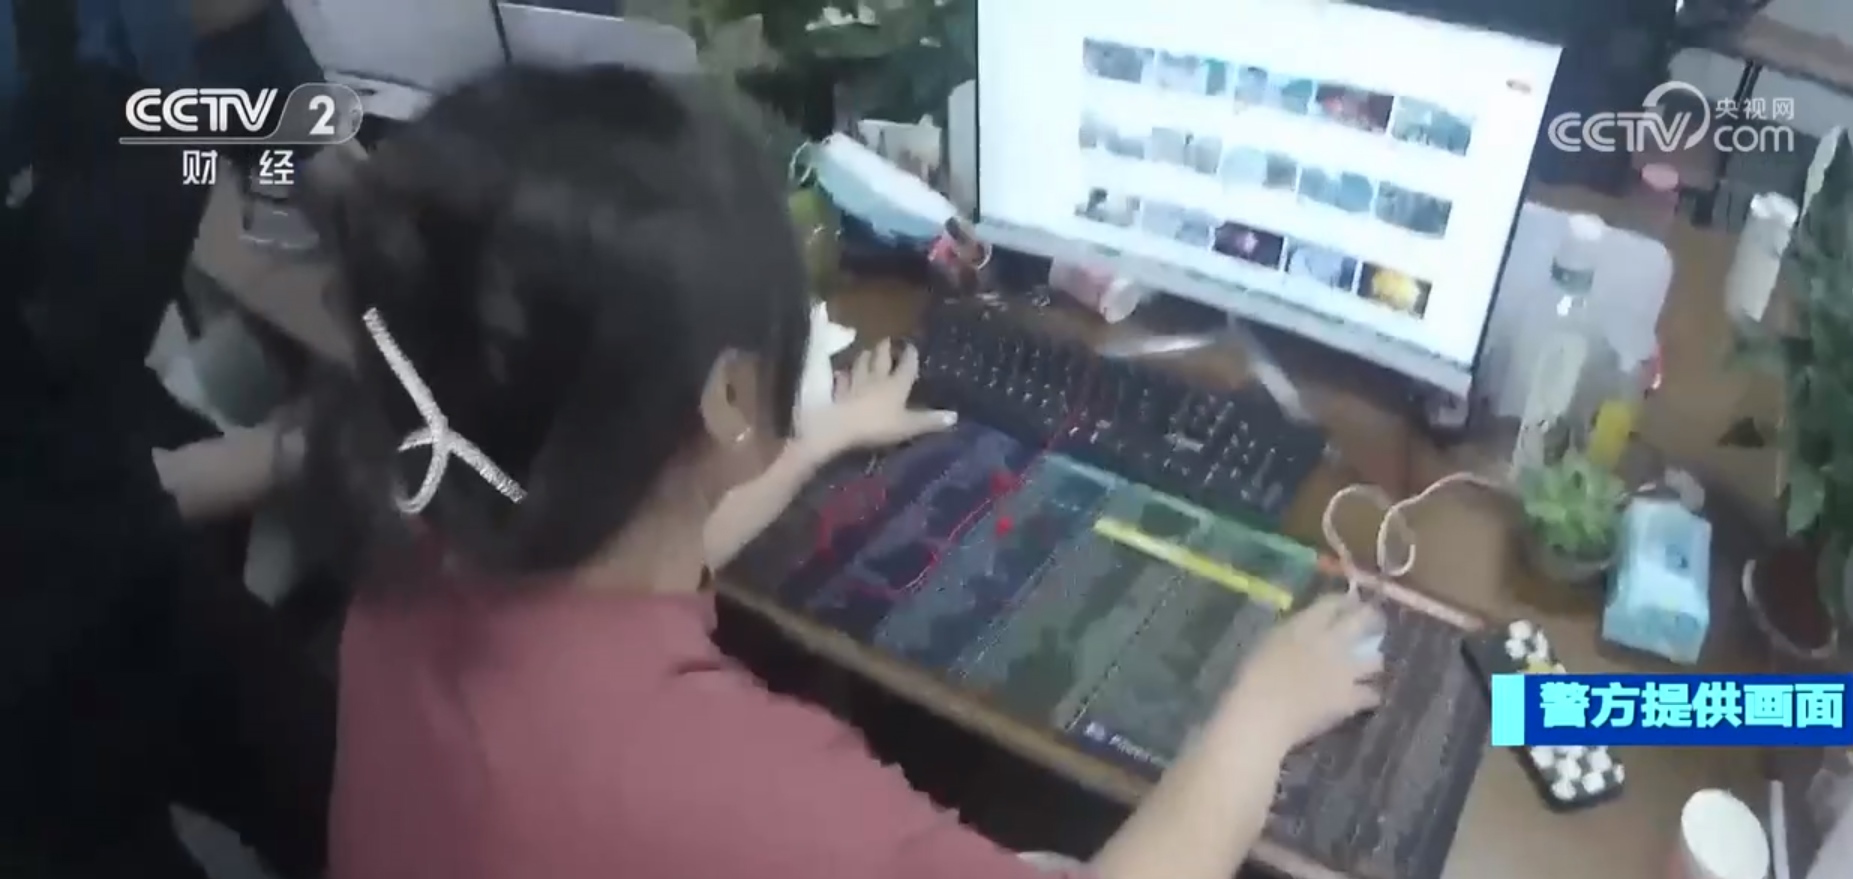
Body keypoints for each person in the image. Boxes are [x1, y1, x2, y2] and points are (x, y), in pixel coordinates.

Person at [308, 64, 1383, 879]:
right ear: (731, 397)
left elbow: (623, 556)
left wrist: (816, 439)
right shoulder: (730, 786)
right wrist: (1261, 714)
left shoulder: (436, 523)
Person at [0, 1, 332, 876]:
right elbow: (47, 506)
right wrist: (289, 453)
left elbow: (300, 136)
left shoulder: (222, 20)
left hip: (117, 502)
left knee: (340, 784)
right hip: (26, 620)